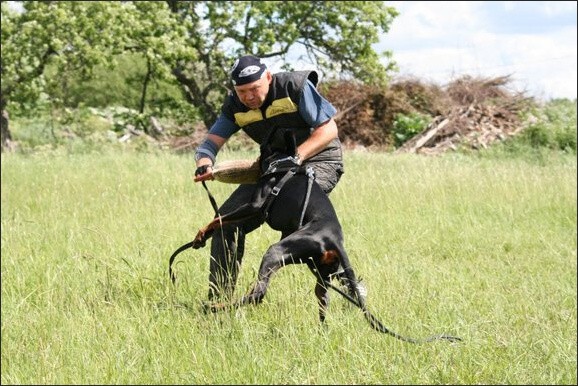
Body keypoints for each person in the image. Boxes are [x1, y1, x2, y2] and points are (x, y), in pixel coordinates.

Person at [194, 54, 361, 301]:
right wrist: (204, 163)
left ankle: (348, 282)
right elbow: (210, 143)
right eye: (242, 91)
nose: (249, 96)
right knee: (225, 223)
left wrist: (297, 156)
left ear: (268, 78)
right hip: (275, 169)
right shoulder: (234, 106)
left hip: (319, 160)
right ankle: (219, 300)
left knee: (300, 222)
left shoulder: (294, 87)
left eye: (254, 88)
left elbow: (329, 130)